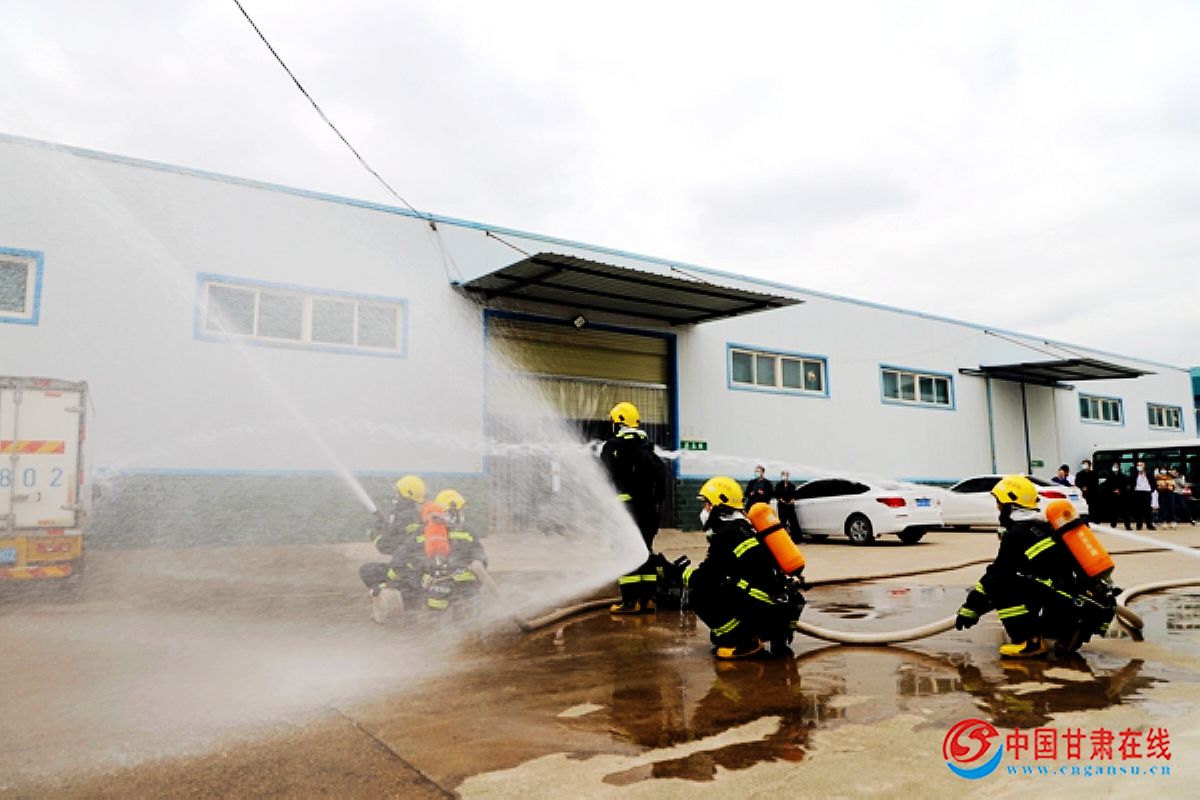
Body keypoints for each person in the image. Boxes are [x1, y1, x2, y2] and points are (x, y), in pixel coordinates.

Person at [954, 475, 1114, 658]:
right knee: (1025, 582)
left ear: (1010, 505)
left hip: (1062, 599)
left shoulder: (1018, 534)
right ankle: (1064, 633)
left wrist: (971, 608)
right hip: (1073, 600)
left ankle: (1030, 642)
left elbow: (997, 574)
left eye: (999, 504)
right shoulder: (1044, 527)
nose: (998, 509)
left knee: (1000, 586)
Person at [666, 476, 804, 660]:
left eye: (707, 504)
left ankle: (741, 642)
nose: (704, 510)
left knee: (700, 593)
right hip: (780, 612)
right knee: (724, 586)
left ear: (719, 506)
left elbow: (705, 579)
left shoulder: (727, 535)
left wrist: (677, 573)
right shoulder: (744, 528)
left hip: (765, 612)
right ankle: (754, 634)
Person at [601, 401, 667, 614]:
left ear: (618, 422)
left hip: (625, 512)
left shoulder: (612, 447)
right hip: (649, 512)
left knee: (625, 553)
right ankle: (648, 599)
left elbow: (605, 478)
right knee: (645, 551)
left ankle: (630, 602)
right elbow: (661, 480)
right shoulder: (648, 448)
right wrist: (653, 500)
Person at [360, 474, 428, 619]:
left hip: (403, 571)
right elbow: (402, 538)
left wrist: (375, 534)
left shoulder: (400, 515)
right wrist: (387, 526)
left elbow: (386, 547)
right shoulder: (416, 516)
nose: (396, 494)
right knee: (407, 582)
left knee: (367, 571)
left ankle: (385, 604)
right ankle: (412, 605)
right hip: (420, 573)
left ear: (405, 495)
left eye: (398, 492)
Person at [774, 470, 801, 542]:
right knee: (782, 522)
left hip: (790, 506)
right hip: (782, 506)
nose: (784, 476)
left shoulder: (792, 485)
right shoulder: (778, 485)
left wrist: (792, 500)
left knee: (793, 522)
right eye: (783, 475)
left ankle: (796, 539)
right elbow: (776, 494)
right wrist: (781, 500)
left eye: (786, 475)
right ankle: (783, 539)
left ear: (788, 476)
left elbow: (795, 494)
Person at [1130, 461, 1156, 531]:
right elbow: (1132, 483)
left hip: (1146, 492)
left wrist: (1152, 490)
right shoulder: (1134, 474)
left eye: (1141, 465)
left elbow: (1153, 483)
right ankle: (1139, 525)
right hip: (1137, 492)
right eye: (1138, 465)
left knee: (1148, 510)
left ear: (1144, 466)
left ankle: (1149, 525)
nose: (1139, 466)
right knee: (1138, 510)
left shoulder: (1149, 474)